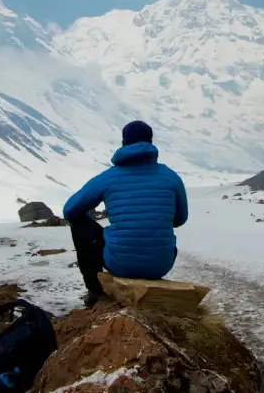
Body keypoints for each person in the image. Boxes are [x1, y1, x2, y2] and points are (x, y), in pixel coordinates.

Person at [62, 120, 189, 307]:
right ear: (151, 143)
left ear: (123, 143)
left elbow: (69, 211)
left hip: (120, 264)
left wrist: (97, 224)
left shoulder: (109, 177)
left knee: (79, 223)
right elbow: (180, 219)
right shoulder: (170, 176)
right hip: (161, 264)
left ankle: (95, 290)